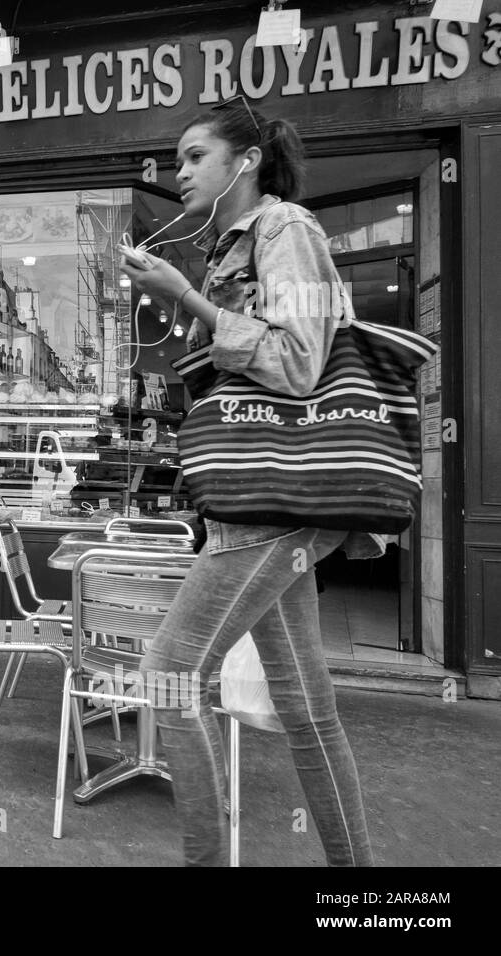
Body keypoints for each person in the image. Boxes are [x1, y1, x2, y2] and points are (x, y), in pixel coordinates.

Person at [121, 99, 375, 867]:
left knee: (169, 673)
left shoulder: (285, 229)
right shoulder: (233, 246)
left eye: (196, 155)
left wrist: (187, 299)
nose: (181, 172)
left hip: (275, 501)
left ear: (247, 160)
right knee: (306, 708)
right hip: (260, 503)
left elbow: (299, 360)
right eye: (177, 160)